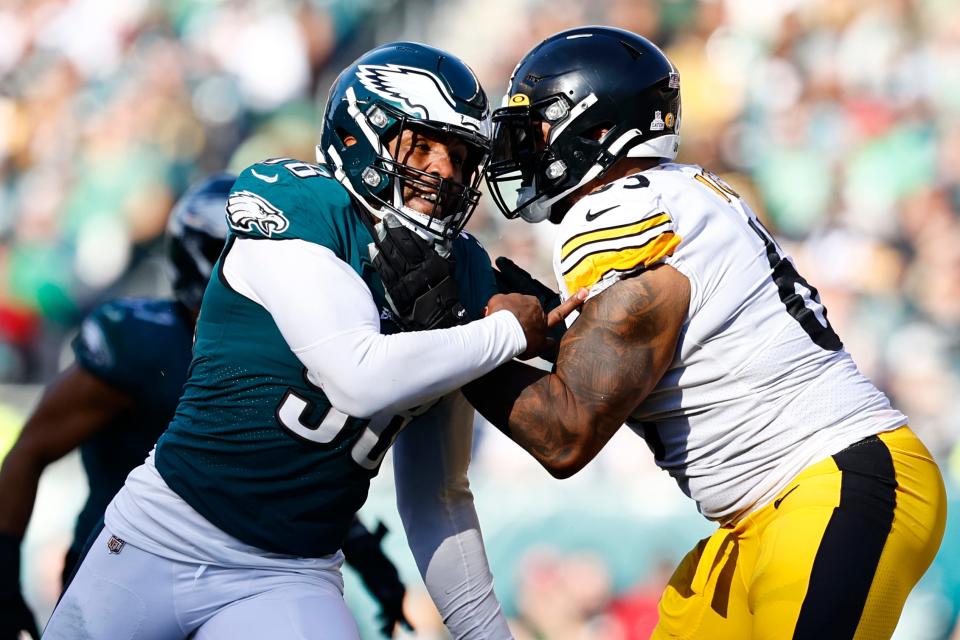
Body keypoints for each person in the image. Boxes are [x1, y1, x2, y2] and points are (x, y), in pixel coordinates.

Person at [385, 26, 945, 638]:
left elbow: (565, 435)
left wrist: (451, 336)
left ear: (595, 131)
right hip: (760, 515)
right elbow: (615, 353)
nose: (523, 148)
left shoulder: (624, 213)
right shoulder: (669, 197)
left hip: (832, 483)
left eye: (536, 127)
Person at [42, 42, 574, 640]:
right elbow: (358, 373)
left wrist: (486, 635)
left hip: (288, 574)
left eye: (458, 154)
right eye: (421, 145)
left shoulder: (462, 276)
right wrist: (503, 332)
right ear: (357, 137)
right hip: (161, 538)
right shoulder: (299, 206)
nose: (444, 172)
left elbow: (437, 497)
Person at [0, 173, 415, 640]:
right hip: (129, 565)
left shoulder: (297, 347)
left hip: (246, 581)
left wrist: (366, 555)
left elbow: (282, 468)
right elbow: (30, 450)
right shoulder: (143, 344)